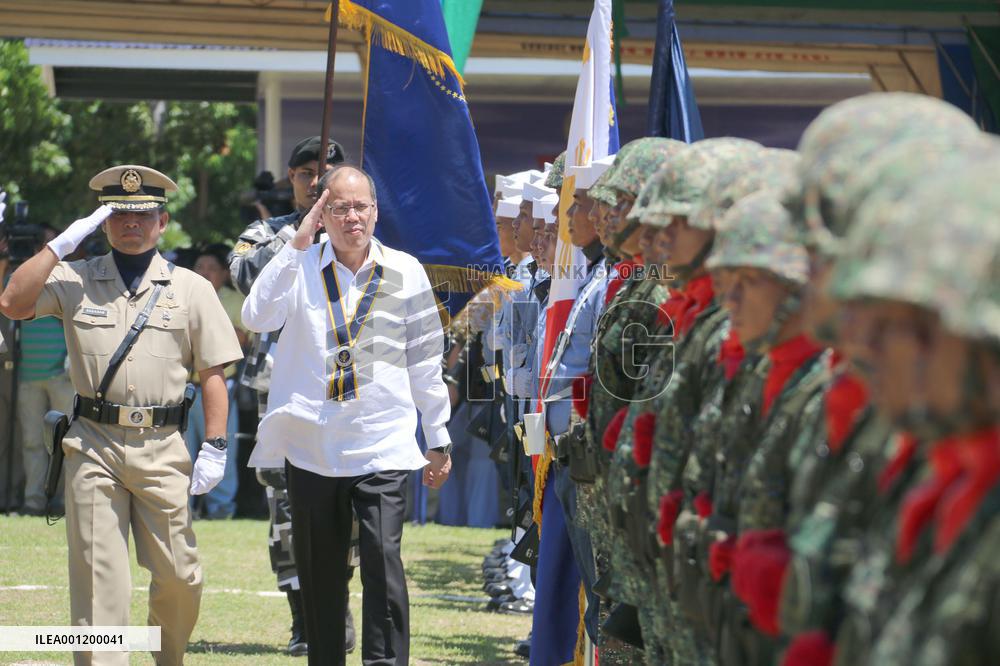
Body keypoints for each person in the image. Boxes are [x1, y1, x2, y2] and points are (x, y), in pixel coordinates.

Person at [0, 164, 243, 666]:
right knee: (98, 583)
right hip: (93, 445)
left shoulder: (192, 287)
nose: (131, 223)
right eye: (119, 215)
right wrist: (58, 246)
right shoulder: (73, 279)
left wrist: (215, 445)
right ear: (104, 223)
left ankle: (165, 656)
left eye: (143, 214)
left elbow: (213, 373)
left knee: (180, 576)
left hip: (163, 445)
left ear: (162, 221)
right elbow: (12, 302)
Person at [242, 164, 453, 665]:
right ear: (321, 214)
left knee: (383, 561)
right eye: (338, 207)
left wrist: (438, 437)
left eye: (360, 206)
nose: (351, 217)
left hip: (382, 443)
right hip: (312, 447)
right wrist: (296, 242)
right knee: (321, 571)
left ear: (376, 212)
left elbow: (425, 362)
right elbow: (256, 315)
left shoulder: (405, 270)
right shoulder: (299, 265)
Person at [229, 135, 356, 656]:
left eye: (325, 169)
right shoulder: (266, 232)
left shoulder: (356, 234)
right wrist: (298, 237)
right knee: (287, 506)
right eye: (304, 172)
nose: (314, 179)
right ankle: (303, 615)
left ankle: (337, 606)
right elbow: (242, 276)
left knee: (345, 499)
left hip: (343, 391)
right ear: (292, 179)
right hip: (280, 393)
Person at [13, 224, 75, 516]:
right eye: (43, 243)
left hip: (62, 375)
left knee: (66, 442)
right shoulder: (20, 278)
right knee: (31, 443)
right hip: (28, 375)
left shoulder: (69, 278)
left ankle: (64, 500)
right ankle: (33, 501)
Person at [186, 242, 248, 519]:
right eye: (200, 267)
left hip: (221, 386)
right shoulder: (181, 294)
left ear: (224, 273)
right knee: (181, 453)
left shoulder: (235, 299)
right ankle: (182, 508)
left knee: (220, 449)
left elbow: (242, 338)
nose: (205, 272)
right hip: (183, 388)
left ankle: (221, 509)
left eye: (212, 268)